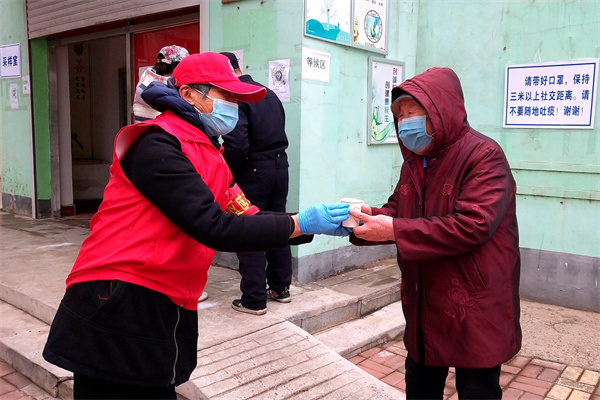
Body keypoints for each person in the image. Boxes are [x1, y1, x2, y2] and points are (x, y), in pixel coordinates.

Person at [42, 52, 350, 400]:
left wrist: (308, 225)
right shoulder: (157, 144)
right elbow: (212, 225)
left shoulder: (209, 153)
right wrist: (299, 223)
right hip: (119, 298)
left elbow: (245, 215)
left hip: (165, 295)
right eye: (227, 95)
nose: (234, 106)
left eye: (237, 98)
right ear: (188, 93)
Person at [349, 67, 521, 400]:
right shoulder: (415, 162)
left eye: (412, 112)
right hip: (425, 298)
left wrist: (394, 230)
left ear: (440, 111)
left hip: (474, 299)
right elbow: (399, 210)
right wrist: (364, 219)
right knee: (420, 385)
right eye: (399, 115)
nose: (404, 122)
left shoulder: (484, 156)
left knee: (477, 390)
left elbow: (473, 224)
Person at [219, 52, 292, 315]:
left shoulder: (235, 96)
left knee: (249, 230)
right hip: (279, 167)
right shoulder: (267, 92)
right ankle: (280, 288)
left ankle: (253, 298)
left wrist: (226, 175)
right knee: (278, 224)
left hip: (252, 170)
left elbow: (237, 145)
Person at [133, 44, 189, 123]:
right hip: (160, 129)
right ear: (177, 67)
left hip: (143, 128)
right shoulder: (163, 88)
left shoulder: (146, 80)